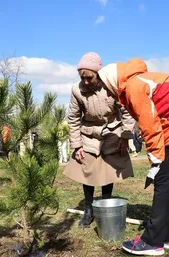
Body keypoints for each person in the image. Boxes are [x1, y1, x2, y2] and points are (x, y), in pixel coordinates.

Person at [98, 58, 169, 256]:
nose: (106, 91)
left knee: (163, 183)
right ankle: (168, 236)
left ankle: (152, 241)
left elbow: (150, 124)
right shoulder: (137, 81)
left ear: (112, 80)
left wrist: (155, 160)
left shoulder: (133, 86)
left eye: (105, 86)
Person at [63, 52, 135, 228]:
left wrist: (125, 136)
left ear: (98, 74)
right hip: (88, 134)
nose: (86, 82)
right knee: (87, 172)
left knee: (107, 172)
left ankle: (105, 205)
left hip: (112, 132)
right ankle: (88, 211)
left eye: (90, 77)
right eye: (83, 78)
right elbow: (73, 118)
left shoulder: (111, 86)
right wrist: (76, 144)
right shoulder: (76, 90)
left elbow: (126, 111)